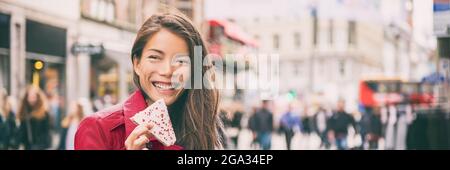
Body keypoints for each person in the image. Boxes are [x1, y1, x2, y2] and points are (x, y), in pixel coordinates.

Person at [75, 11, 223, 150]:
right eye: (154, 57)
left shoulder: (203, 125)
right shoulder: (97, 128)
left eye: (181, 60)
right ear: (137, 64)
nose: (167, 71)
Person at [17, 85, 52, 150]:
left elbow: (47, 132)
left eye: (34, 97)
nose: (32, 99)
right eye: (30, 97)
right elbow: (22, 133)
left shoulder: (44, 113)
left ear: (38, 97)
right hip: (28, 147)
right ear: (26, 98)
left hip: (40, 146)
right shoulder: (24, 112)